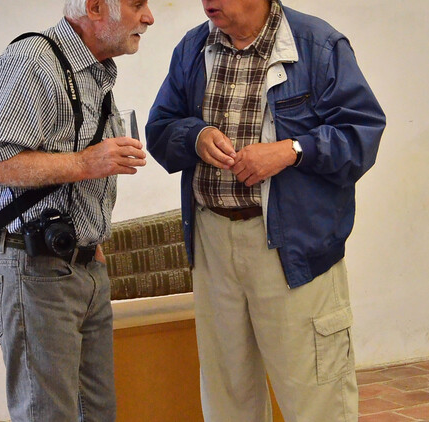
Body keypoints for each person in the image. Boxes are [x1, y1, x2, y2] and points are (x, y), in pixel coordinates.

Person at [146, 0, 385, 421]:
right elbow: (160, 128)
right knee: (227, 397)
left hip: (292, 250)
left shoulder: (319, 46)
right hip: (212, 243)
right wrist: (196, 136)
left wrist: (292, 150)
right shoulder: (193, 48)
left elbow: (360, 136)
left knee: (315, 397)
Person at [0, 0, 154, 420]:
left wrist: (91, 245)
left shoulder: (96, 73)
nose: (149, 17)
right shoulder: (34, 61)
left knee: (97, 413)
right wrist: (87, 162)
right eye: (137, 4)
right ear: (96, 7)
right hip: (33, 268)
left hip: (83, 269)